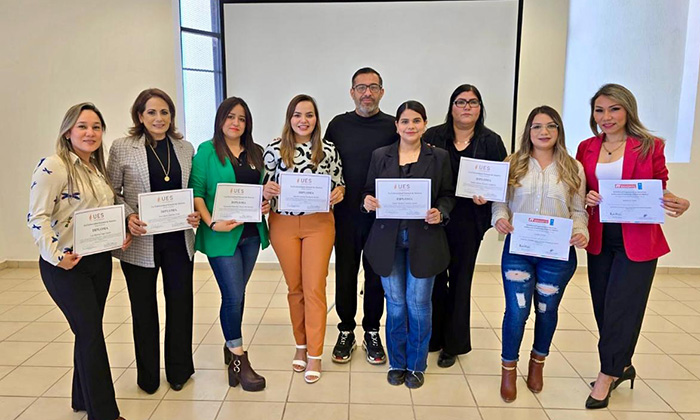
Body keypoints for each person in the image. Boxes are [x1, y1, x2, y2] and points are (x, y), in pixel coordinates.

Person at [578, 84, 690, 409]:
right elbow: (579, 187)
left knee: (622, 308)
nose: (606, 117)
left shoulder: (649, 146)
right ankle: (623, 366)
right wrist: (585, 197)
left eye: (614, 109)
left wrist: (676, 201)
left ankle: (606, 376)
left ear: (627, 110)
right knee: (603, 307)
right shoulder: (586, 147)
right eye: (599, 110)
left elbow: (660, 185)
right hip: (600, 237)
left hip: (638, 239)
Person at [28, 103, 128, 420]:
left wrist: (118, 236)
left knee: (88, 331)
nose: (90, 133)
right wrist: (57, 256)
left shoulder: (98, 171)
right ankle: (105, 414)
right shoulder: (53, 167)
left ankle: (81, 397)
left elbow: (101, 217)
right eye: (83, 126)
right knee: (91, 335)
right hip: (65, 267)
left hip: (98, 263)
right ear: (68, 131)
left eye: (96, 127)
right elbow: (37, 217)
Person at [492, 105, 588, 403]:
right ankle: (509, 369)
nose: (543, 132)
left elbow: (578, 210)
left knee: (546, 311)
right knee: (517, 310)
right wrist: (499, 218)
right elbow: (500, 203)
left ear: (559, 131)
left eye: (550, 126)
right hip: (518, 251)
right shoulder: (513, 164)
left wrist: (581, 230)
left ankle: (537, 363)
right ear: (528, 132)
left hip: (556, 254)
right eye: (536, 126)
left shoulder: (574, 167)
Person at [107, 88, 200, 393]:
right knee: (144, 311)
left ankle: (179, 371)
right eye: (152, 112)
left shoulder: (185, 148)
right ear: (139, 116)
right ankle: (147, 377)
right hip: (141, 241)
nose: (159, 118)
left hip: (177, 239)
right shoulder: (122, 148)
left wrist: (194, 214)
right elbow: (111, 193)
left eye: (164, 112)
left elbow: (191, 191)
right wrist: (128, 216)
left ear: (171, 116)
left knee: (181, 305)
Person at [362, 100, 455, 389]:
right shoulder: (380, 155)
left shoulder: (438, 156)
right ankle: (397, 362)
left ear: (425, 124)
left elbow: (448, 195)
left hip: (425, 240)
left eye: (416, 121)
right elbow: (367, 190)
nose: (410, 126)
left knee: (418, 304)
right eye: (405, 121)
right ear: (396, 125)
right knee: (397, 305)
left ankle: (416, 365)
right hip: (387, 241)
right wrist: (367, 202)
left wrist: (441, 211)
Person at [423, 84, 507, 368]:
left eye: (473, 102)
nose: (467, 107)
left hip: (469, 221)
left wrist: (488, 199)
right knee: (434, 280)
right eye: (461, 102)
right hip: (435, 219)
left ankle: (453, 344)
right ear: (451, 107)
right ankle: (433, 337)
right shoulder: (433, 136)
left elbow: (501, 184)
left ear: (480, 108)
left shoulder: (491, 141)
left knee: (460, 282)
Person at [262, 94, 345, 384]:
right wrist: (267, 191)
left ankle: (315, 354)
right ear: (290, 118)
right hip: (283, 223)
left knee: (314, 287)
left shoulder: (328, 150)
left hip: (318, 224)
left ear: (316, 119)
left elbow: (340, 184)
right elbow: (262, 186)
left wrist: (339, 193)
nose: (303, 120)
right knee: (294, 287)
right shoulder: (273, 149)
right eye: (298, 115)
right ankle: (300, 344)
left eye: (309, 115)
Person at [190, 97, 270, 391]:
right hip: (220, 235)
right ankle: (239, 359)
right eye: (231, 117)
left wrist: (265, 203)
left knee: (237, 294)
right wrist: (211, 222)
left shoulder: (256, 152)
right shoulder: (206, 151)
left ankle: (230, 343)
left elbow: (261, 190)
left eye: (242, 119)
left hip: (250, 234)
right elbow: (197, 192)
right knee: (233, 295)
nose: (236, 123)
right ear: (220, 119)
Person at [325, 67, 397, 364]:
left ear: (382, 91)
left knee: (377, 275)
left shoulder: (394, 125)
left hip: (382, 217)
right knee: (345, 273)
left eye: (373, 87)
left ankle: (371, 329)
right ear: (352, 92)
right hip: (345, 216)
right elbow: (323, 165)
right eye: (361, 87)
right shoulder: (337, 125)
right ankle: (345, 329)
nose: (367, 93)